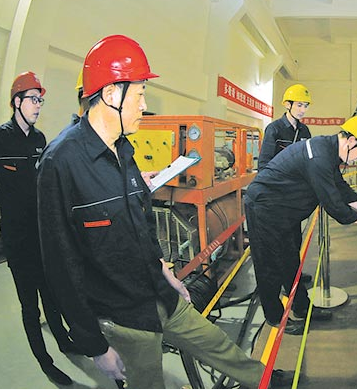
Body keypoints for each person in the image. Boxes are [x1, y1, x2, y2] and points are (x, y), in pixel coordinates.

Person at [36, 34, 291, 388]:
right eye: (139, 94)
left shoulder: (123, 151)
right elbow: (59, 265)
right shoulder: (60, 163)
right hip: (123, 316)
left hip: (160, 293)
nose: (144, 105)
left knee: (217, 344)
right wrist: (94, 345)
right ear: (111, 94)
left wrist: (165, 273)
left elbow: (142, 223)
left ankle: (264, 381)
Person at [0, 71, 76, 385]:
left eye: (40, 101)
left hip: (40, 231)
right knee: (30, 304)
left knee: (50, 293)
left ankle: (64, 340)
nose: (38, 105)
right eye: (33, 100)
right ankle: (45, 362)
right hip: (16, 236)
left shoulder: (39, 140)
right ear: (17, 102)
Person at [245, 115, 357, 335]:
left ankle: (302, 307)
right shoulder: (320, 157)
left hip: (283, 210)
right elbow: (334, 204)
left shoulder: (328, 150)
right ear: (351, 141)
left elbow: (340, 187)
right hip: (264, 208)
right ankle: (275, 317)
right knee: (269, 267)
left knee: (290, 260)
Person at [257, 84, 314, 288]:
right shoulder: (274, 129)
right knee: (282, 242)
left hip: (295, 196)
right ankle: (285, 281)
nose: (303, 110)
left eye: (305, 105)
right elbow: (264, 164)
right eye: (299, 105)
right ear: (287, 104)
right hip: (277, 196)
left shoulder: (304, 131)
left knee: (295, 239)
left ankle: (294, 274)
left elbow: (309, 160)